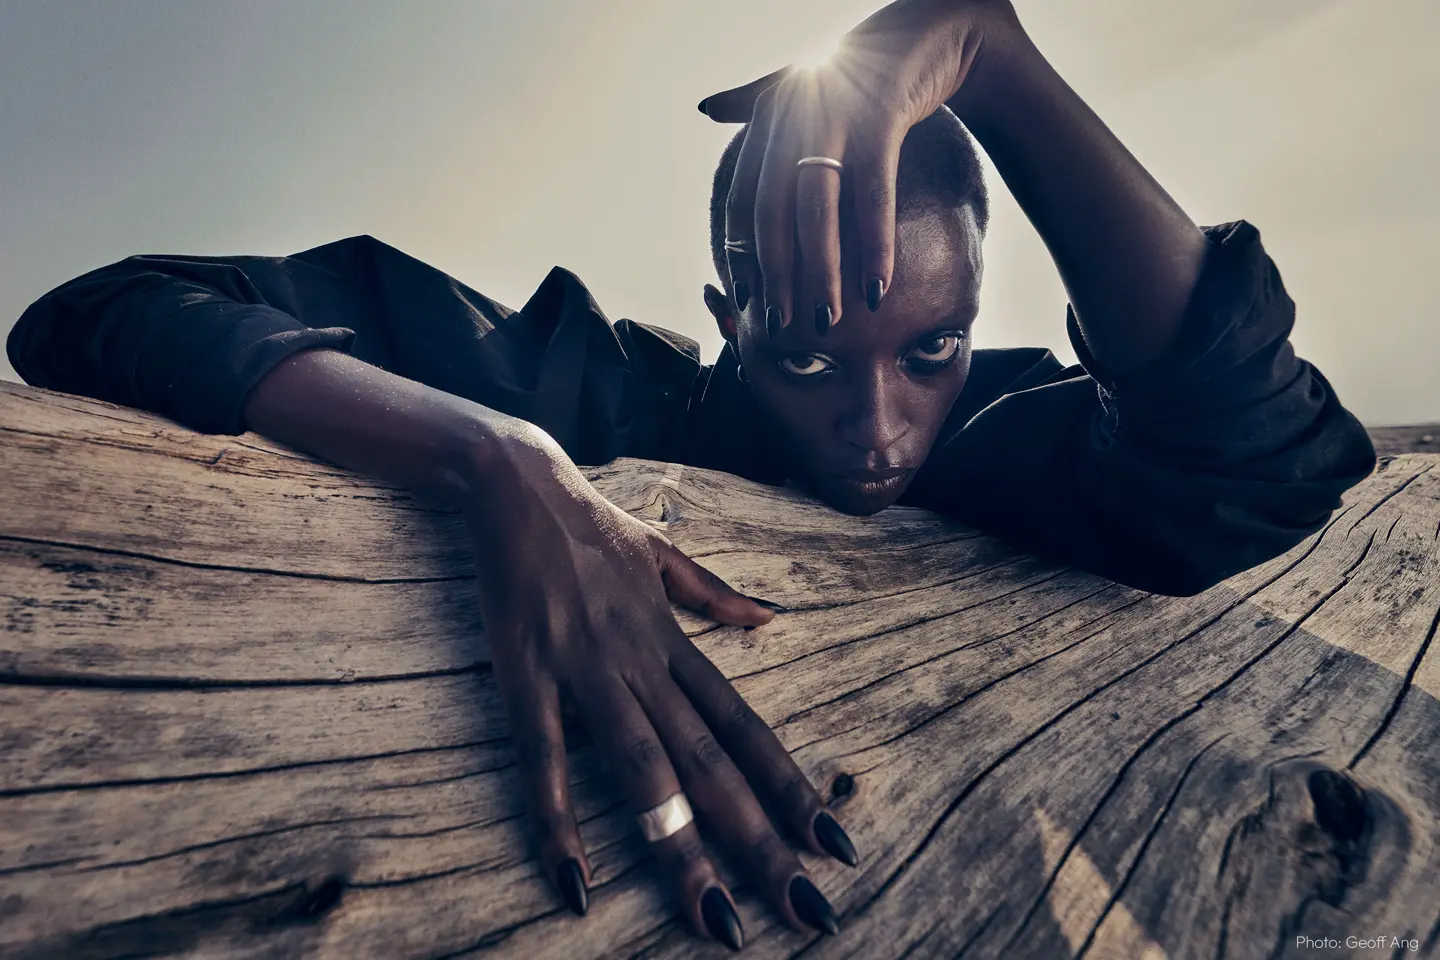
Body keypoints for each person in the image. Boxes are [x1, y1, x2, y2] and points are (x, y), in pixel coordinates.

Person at [5, 0, 1376, 951]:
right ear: (726, 323)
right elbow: (103, 310)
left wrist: (990, 51)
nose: (881, 426)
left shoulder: (1008, 430)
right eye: (806, 358)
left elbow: (1258, 459)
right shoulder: (601, 383)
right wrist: (500, 456)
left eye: (931, 346)